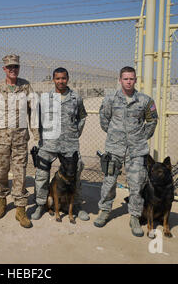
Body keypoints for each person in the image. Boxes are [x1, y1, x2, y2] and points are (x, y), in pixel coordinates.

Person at [95, 66, 158, 237]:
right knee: (109, 181)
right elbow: (104, 119)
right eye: (125, 79)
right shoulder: (110, 99)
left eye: (131, 78)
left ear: (136, 80)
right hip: (114, 148)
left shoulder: (145, 100)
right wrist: (115, 135)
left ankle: (135, 217)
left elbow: (152, 121)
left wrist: (139, 137)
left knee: (137, 184)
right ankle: (105, 210)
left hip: (136, 150)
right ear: (120, 80)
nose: (129, 81)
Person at [0, 54, 39, 228]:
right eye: (9, 67)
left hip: (20, 139)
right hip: (0, 139)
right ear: (4, 69)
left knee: (20, 173)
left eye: (16, 66)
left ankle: (20, 207)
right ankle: (1, 199)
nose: (13, 69)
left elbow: (33, 111)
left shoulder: (26, 87)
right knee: (0, 171)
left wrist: (36, 134)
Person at [31, 67, 89, 221]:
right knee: (42, 175)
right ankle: (40, 204)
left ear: (68, 79)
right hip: (49, 144)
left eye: (63, 78)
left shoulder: (76, 98)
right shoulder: (44, 99)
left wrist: (76, 133)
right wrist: (39, 137)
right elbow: (36, 119)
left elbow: (82, 117)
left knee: (75, 174)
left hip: (69, 145)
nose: (61, 81)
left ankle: (76, 205)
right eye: (58, 78)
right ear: (53, 79)